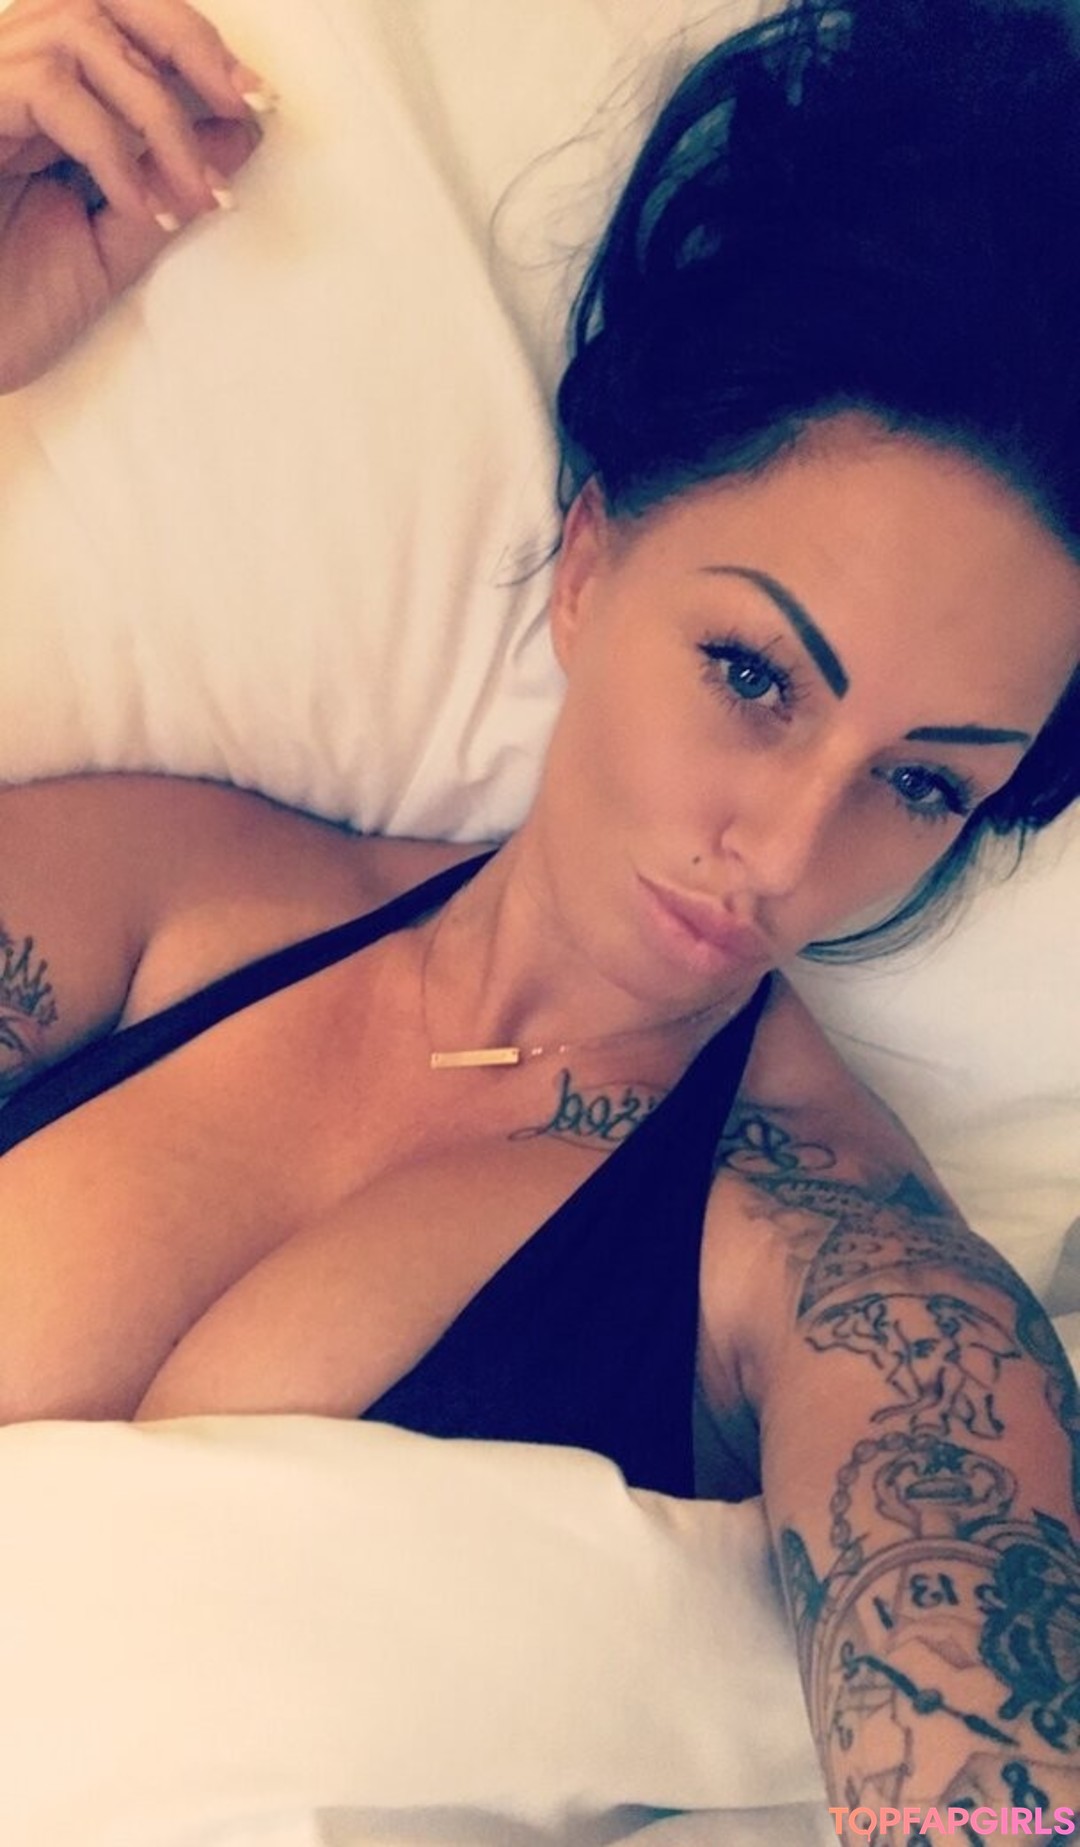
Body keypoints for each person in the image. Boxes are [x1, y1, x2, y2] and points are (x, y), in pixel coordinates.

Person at [0, 0, 1078, 1833]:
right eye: (754, 674)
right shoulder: (173, 897)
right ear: (588, 564)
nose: (785, 850)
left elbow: (994, 1741)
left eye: (921, 784)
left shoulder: (841, 1262)